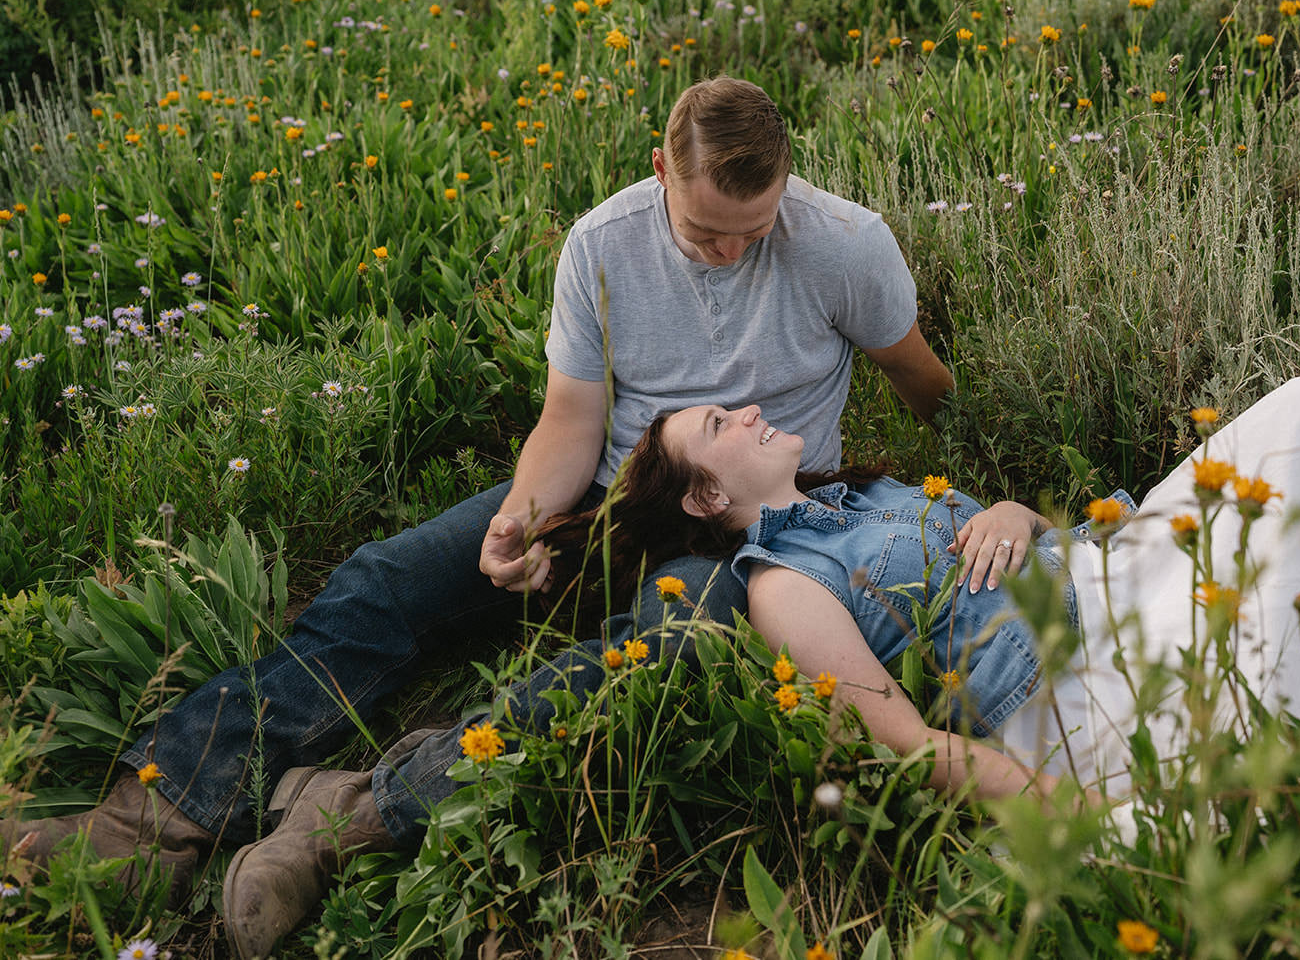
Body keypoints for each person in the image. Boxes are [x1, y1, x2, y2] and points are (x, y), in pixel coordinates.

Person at [0, 77, 953, 959]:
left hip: (743, 538)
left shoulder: (842, 242)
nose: (733, 251)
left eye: (756, 227)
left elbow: (920, 378)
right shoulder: (604, 244)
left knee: (666, 647)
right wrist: (525, 518)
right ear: (662, 170)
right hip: (610, 497)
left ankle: (348, 818)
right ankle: (145, 829)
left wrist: (926, 492)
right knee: (390, 579)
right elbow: (571, 422)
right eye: (708, 230)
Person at [544, 375, 1300, 809]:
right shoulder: (783, 586)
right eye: (721, 422)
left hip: (1110, 565)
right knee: (1290, 586)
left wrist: (1016, 508)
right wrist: (1063, 807)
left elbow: (1024, 541)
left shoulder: (873, 492)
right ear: (709, 495)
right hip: (1077, 672)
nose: (749, 410)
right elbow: (905, 747)